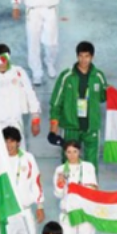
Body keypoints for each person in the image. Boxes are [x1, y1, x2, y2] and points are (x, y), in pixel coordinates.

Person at [49, 41, 109, 175]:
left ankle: (91, 188)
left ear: (92, 57)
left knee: (91, 166)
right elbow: (56, 103)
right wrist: (53, 130)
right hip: (71, 128)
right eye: (81, 56)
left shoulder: (98, 76)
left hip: (91, 128)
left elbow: (104, 97)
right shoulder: (66, 76)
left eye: (87, 56)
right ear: (77, 56)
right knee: (68, 163)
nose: (83, 60)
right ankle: (67, 188)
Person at [53, 140, 98, 234]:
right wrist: (60, 184)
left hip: (85, 213)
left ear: (80, 152)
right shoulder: (60, 170)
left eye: (75, 151)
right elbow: (58, 194)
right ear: (64, 153)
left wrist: (80, 188)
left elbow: (93, 188)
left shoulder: (88, 167)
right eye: (69, 152)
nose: (72, 155)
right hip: (68, 213)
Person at [3, 127, 44, 234]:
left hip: (24, 211)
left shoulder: (28, 158)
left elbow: (36, 182)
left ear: (18, 142)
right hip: (6, 212)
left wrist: (40, 206)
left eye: (12, 141)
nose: (9, 145)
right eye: (6, 141)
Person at [0, 44, 41, 150]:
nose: (2, 62)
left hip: (15, 121)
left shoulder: (18, 72)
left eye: (4, 58)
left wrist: (35, 120)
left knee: (19, 153)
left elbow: (30, 94)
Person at [12, 0, 61, 86]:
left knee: (51, 42)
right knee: (33, 41)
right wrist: (16, 5)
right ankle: (36, 71)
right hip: (32, 9)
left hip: (50, 8)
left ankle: (50, 62)